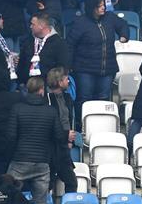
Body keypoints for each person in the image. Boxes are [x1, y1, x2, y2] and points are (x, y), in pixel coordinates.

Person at [6, 77, 64, 204]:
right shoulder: (51, 111)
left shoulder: (17, 108)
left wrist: (11, 156)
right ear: (42, 90)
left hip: (19, 160)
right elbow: (59, 136)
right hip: (42, 161)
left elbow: (10, 137)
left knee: (9, 197)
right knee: (40, 201)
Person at [67, 0, 129, 112]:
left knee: (103, 99)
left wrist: (124, 35)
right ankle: (83, 125)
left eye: (103, 5)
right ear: (92, 7)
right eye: (99, 6)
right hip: (85, 70)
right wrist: (68, 66)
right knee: (85, 99)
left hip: (107, 70)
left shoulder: (110, 17)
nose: (103, 8)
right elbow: (70, 45)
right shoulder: (81, 23)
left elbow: (123, 25)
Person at [45, 67, 77, 195]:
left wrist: (70, 140)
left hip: (63, 146)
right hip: (51, 147)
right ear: (59, 82)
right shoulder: (46, 99)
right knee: (48, 182)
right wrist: (65, 135)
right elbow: (49, 125)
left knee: (71, 181)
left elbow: (70, 119)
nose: (68, 81)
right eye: (65, 79)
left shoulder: (68, 97)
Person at [16, 13, 70, 84]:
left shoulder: (59, 43)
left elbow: (62, 67)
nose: (30, 26)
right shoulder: (28, 41)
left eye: (33, 24)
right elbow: (22, 63)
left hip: (50, 88)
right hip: (28, 87)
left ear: (41, 26)